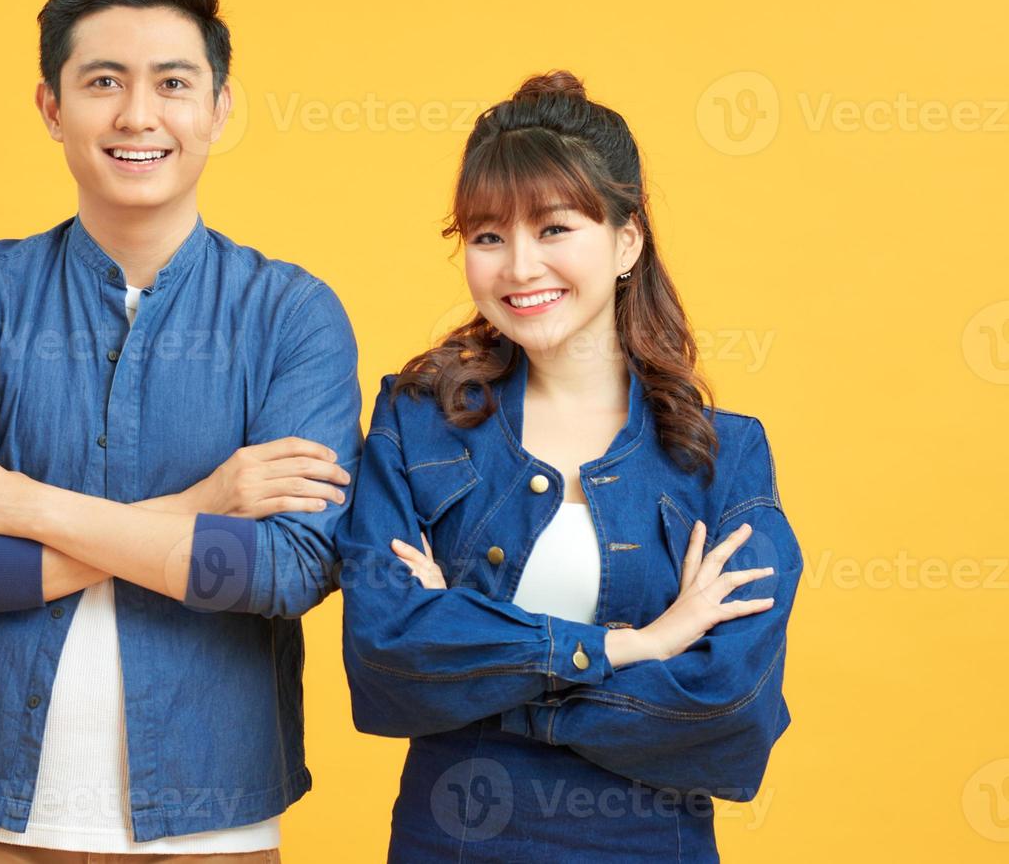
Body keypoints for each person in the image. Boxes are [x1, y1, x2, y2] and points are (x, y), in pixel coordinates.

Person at [0, 0, 362, 863]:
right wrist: (200, 508)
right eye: (104, 82)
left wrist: (18, 506)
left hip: (212, 820)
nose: (139, 115)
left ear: (218, 107)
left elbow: (289, 571)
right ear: (52, 109)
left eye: (173, 82)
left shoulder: (292, 315)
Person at [336, 70, 802, 863]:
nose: (518, 267)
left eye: (553, 229)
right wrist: (633, 646)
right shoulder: (416, 421)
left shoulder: (722, 458)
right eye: (487, 236)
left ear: (626, 240)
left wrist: (485, 675)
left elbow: (729, 719)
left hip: (650, 847)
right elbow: (385, 660)